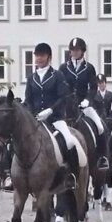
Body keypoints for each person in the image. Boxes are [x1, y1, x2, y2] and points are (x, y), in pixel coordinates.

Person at [25, 42, 78, 189]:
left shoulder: (57, 75)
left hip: (55, 119)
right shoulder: (31, 78)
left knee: (69, 141)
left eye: (42, 55)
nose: (39, 58)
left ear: (48, 57)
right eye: (37, 55)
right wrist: (33, 114)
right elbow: (28, 100)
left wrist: (50, 110)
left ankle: (72, 175)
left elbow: (63, 97)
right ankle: (12, 175)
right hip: (36, 120)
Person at [58, 37, 108, 170]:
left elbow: (93, 87)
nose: (74, 52)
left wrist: (87, 100)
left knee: (100, 126)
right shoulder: (63, 68)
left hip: (84, 104)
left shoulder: (89, 68)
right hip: (67, 106)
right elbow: (60, 87)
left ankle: (102, 157)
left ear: (82, 51)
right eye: (72, 50)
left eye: (77, 50)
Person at [94, 73, 112, 210]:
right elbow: (93, 107)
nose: (101, 85)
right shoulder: (95, 95)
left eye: (102, 82)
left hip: (109, 120)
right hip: (98, 120)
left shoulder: (110, 94)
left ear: (105, 83)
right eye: (99, 83)